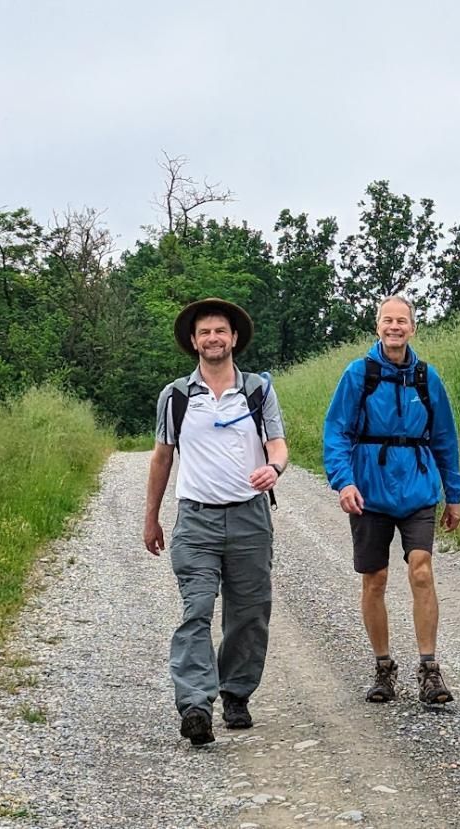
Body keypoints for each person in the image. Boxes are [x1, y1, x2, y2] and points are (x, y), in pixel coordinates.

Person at [145, 298, 289, 746]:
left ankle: (235, 694)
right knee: (197, 610)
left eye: (220, 331)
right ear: (193, 341)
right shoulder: (176, 396)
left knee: (249, 615)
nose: (212, 338)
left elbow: (279, 445)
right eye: (204, 332)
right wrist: (151, 517)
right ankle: (194, 705)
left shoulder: (258, 391)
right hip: (196, 521)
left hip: (250, 518)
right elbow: (162, 457)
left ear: (234, 338)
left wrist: (274, 469)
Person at [322, 295, 460, 706]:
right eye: (388, 320)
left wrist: (453, 495)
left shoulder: (426, 377)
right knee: (375, 579)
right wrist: (344, 482)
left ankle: (429, 668)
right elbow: (337, 433)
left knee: (421, 571)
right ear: (377, 327)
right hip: (369, 491)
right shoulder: (358, 374)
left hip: (418, 489)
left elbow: (444, 440)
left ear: (413, 328)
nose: (395, 327)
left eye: (402, 321)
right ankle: (384, 667)